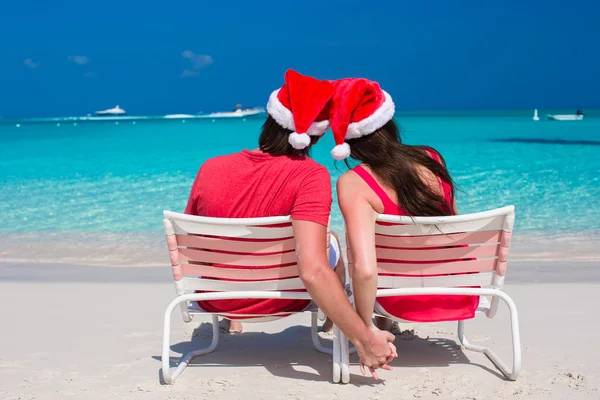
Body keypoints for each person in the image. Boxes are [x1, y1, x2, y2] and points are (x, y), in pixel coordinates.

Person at [184, 70, 397, 378]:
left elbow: (195, 248)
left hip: (216, 297)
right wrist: (365, 340)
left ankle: (233, 318)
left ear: (270, 118)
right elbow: (311, 271)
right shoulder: (310, 176)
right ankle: (335, 319)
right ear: (317, 135)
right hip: (283, 300)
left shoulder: (211, 168)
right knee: (330, 242)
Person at [330, 78, 480, 332]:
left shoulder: (353, 183)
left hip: (400, 303)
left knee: (359, 249)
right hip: (458, 294)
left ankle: (379, 323)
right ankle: (385, 323)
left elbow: (366, 272)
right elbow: (449, 228)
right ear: (388, 124)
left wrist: (365, 331)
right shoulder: (431, 157)